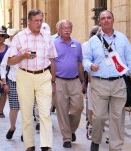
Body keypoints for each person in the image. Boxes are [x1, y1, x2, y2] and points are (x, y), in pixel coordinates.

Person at [83, 10, 131, 151]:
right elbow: (85, 59)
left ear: (113, 20)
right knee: (98, 117)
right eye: (103, 18)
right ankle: (96, 139)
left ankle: (115, 147)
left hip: (118, 82)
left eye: (109, 18)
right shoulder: (93, 41)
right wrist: (90, 65)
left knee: (117, 117)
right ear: (99, 22)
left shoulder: (122, 39)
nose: (106, 20)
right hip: (99, 82)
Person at [8, 9, 57, 151]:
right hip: (25, 75)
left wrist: (53, 81)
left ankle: (46, 146)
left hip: (43, 75)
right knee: (27, 113)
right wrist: (23, 56)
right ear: (29, 21)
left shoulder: (47, 37)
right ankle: (29, 145)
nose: (39, 23)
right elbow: (11, 61)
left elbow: (52, 59)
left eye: (41, 20)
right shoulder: (19, 37)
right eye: (36, 20)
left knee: (45, 113)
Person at [53, 20, 85, 148]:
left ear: (71, 29)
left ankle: (71, 130)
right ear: (59, 30)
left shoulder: (77, 44)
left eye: (68, 27)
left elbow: (79, 63)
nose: (66, 30)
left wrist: (83, 81)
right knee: (62, 110)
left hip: (75, 80)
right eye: (63, 28)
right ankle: (67, 137)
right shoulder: (54, 44)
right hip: (59, 80)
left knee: (78, 108)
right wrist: (52, 82)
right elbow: (51, 64)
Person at [0, 28, 21, 140]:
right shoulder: (11, 50)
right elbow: (3, 66)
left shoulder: (31, 49)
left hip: (28, 81)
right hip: (13, 80)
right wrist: (4, 82)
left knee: (28, 108)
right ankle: (12, 127)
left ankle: (25, 132)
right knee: (14, 107)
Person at [82, 25, 100, 140]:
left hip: (102, 78)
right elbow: (86, 62)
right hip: (92, 78)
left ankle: (94, 125)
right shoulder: (86, 45)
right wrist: (89, 79)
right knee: (92, 104)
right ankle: (91, 125)